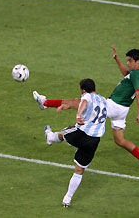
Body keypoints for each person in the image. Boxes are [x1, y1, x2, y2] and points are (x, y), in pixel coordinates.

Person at [33, 47, 139, 174]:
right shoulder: (138, 74)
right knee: (120, 140)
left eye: (130, 61)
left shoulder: (135, 74)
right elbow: (126, 74)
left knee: (78, 102)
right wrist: (117, 60)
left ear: (138, 61)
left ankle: (45, 103)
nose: (128, 63)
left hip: (113, 105)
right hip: (122, 110)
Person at [43, 79, 107, 207]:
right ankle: (67, 199)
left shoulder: (87, 96)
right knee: (79, 170)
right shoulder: (103, 100)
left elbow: (84, 102)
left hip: (81, 134)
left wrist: (78, 114)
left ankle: (50, 137)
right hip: (94, 140)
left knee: (65, 132)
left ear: (83, 90)